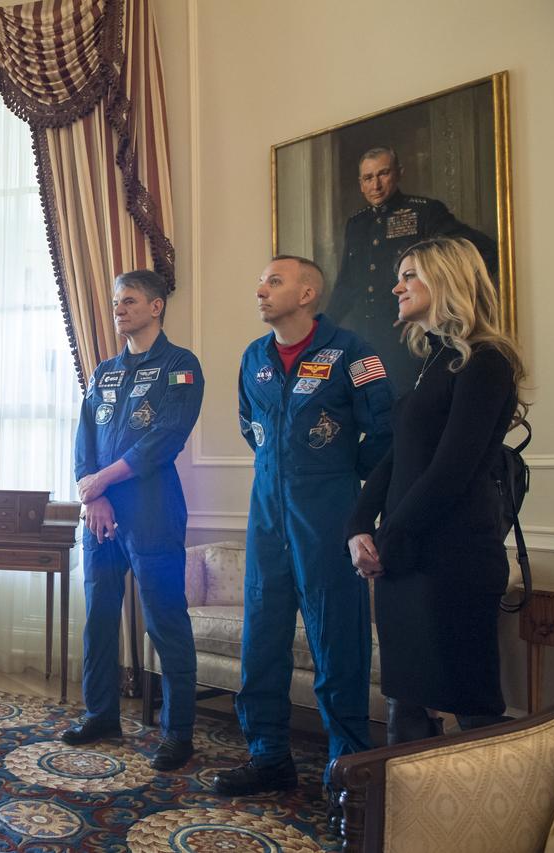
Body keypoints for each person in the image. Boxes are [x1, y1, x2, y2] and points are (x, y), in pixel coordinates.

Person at [213, 256, 393, 809]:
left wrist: (337, 477)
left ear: (308, 292)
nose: (260, 290)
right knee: (262, 640)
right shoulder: (254, 357)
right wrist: (283, 469)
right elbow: (251, 426)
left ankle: (348, 771)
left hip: (328, 515)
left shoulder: (353, 352)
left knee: (337, 642)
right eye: (260, 281)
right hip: (268, 514)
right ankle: (268, 756)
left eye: (274, 281)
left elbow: (385, 434)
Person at [346, 237, 526, 744]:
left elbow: (451, 471)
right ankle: (401, 795)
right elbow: (397, 456)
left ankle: (484, 800)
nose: (397, 286)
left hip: (454, 560)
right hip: (408, 554)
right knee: (404, 699)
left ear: (445, 279)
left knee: (471, 707)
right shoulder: (432, 361)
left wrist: (387, 536)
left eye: (410, 275)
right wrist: (358, 525)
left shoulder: (486, 361)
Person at [64, 269, 203, 773]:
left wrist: (102, 481)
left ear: (156, 306)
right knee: (99, 618)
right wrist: (94, 494)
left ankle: (178, 733)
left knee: (165, 621)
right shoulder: (104, 371)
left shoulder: (180, 366)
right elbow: (84, 440)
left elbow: (165, 438)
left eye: (129, 301)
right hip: (101, 515)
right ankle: (101, 715)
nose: (118, 309)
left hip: (152, 512)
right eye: (116, 302)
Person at [326, 146, 498, 395]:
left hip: (408, 340)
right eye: (368, 178)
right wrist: (322, 331)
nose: (376, 185)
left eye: (383, 174)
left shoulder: (425, 212)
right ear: (361, 184)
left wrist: (439, 303)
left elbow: (485, 252)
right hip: (366, 339)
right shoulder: (356, 223)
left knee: (409, 405)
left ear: (399, 173)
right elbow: (346, 285)